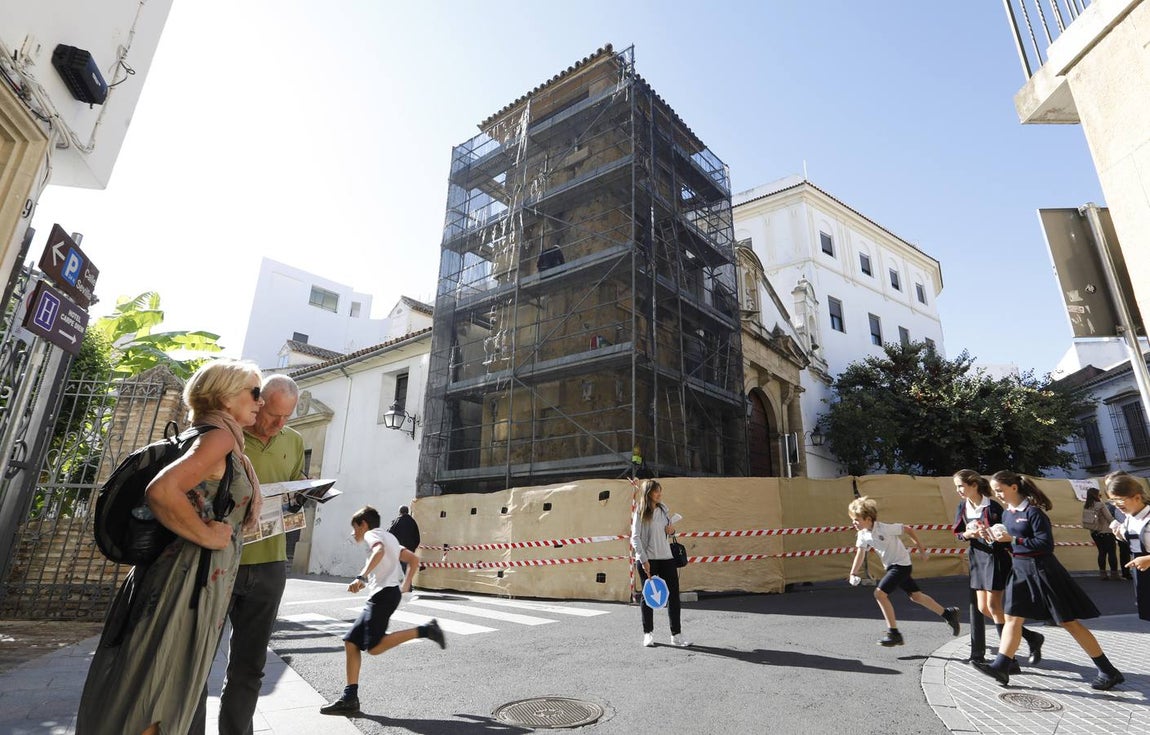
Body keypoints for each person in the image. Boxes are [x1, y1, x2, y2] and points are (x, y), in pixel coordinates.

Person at [76, 359, 264, 735]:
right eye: (254, 392)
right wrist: (208, 535)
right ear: (226, 397)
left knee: (148, 678)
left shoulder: (205, 434)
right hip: (187, 583)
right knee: (162, 685)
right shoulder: (219, 437)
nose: (259, 402)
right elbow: (162, 490)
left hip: (180, 576)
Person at [191, 374, 307, 735]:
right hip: (220, 562)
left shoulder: (295, 440)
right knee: (197, 662)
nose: (279, 424)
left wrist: (299, 499)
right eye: (273, 415)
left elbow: (293, 486)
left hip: (270, 565)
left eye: (287, 417)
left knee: (249, 666)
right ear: (257, 403)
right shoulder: (227, 437)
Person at [971, 471, 1124, 690]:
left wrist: (1013, 539)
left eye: (1000, 490)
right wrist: (992, 538)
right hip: (1020, 570)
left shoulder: (1034, 512)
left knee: (1068, 622)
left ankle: (1108, 671)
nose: (998, 495)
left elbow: (1045, 544)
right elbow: (1012, 544)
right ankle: (1001, 666)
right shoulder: (1007, 514)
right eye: (996, 492)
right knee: (1012, 618)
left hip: (1043, 570)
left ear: (1014, 487)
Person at [320, 505, 446, 715]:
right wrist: (405, 585)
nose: (354, 533)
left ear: (364, 524)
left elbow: (378, 551)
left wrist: (361, 577)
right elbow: (413, 560)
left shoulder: (372, 535)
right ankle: (350, 697)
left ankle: (426, 630)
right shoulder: (391, 538)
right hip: (385, 594)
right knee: (351, 642)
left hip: (383, 596)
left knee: (375, 647)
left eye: (355, 528)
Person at [952, 470, 1043, 668]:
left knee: (994, 607)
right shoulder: (962, 506)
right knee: (983, 608)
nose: (958, 490)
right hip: (977, 557)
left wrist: (990, 534)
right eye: (957, 487)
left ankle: (1009, 660)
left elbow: (1005, 532)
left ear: (974, 485)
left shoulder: (992, 506)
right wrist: (968, 534)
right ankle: (1030, 636)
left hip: (995, 557)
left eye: (961, 486)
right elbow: (958, 533)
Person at [848, 495, 961, 647]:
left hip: (901, 565)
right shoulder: (862, 535)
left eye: (857, 519)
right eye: (853, 519)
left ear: (868, 518)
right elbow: (861, 554)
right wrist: (853, 573)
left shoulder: (885, 528)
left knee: (879, 594)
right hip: (891, 566)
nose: (854, 523)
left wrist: (921, 549)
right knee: (916, 597)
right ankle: (948, 614)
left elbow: (908, 529)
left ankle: (894, 633)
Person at [630, 479, 690, 647]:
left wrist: (672, 530)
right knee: (648, 598)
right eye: (656, 491)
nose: (659, 494)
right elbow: (635, 538)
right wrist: (643, 560)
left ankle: (676, 634)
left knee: (674, 597)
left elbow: (668, 530)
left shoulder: (664, 509)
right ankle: (648, 633)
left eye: (660, 491)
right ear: (649, 493)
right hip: (648, 559)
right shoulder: (641, 511)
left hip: (667, 558)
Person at [1104, 471, 1150, 620]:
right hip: (1142, 574)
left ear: (1137, 497)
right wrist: (1119, 534)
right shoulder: (1129, 519)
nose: (1116, 505)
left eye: (1119, 500)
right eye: (1112, 501)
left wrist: (1148, 559)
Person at [1082, 486, 1119, 580]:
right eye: (1100, 494)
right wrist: (1118, 525)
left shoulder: (1087, 506)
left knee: (1101, 552)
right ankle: (1114, 574)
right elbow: (1109, 517)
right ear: (1096, 495)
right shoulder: (1100, 504)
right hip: (1106, 531)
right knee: (1111, 553)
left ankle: (1103, 574)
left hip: (1094, 532)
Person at [388, 503, 420, 575]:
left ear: (400, 512)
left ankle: (407, 585)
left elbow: (389, 533)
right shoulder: (413, 522)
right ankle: (408, 584)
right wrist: (413, 548)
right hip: (410, 549)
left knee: (403, 569)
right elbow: (417, 537)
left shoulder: (397, 521)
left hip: (400, 549)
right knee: (407, 568)